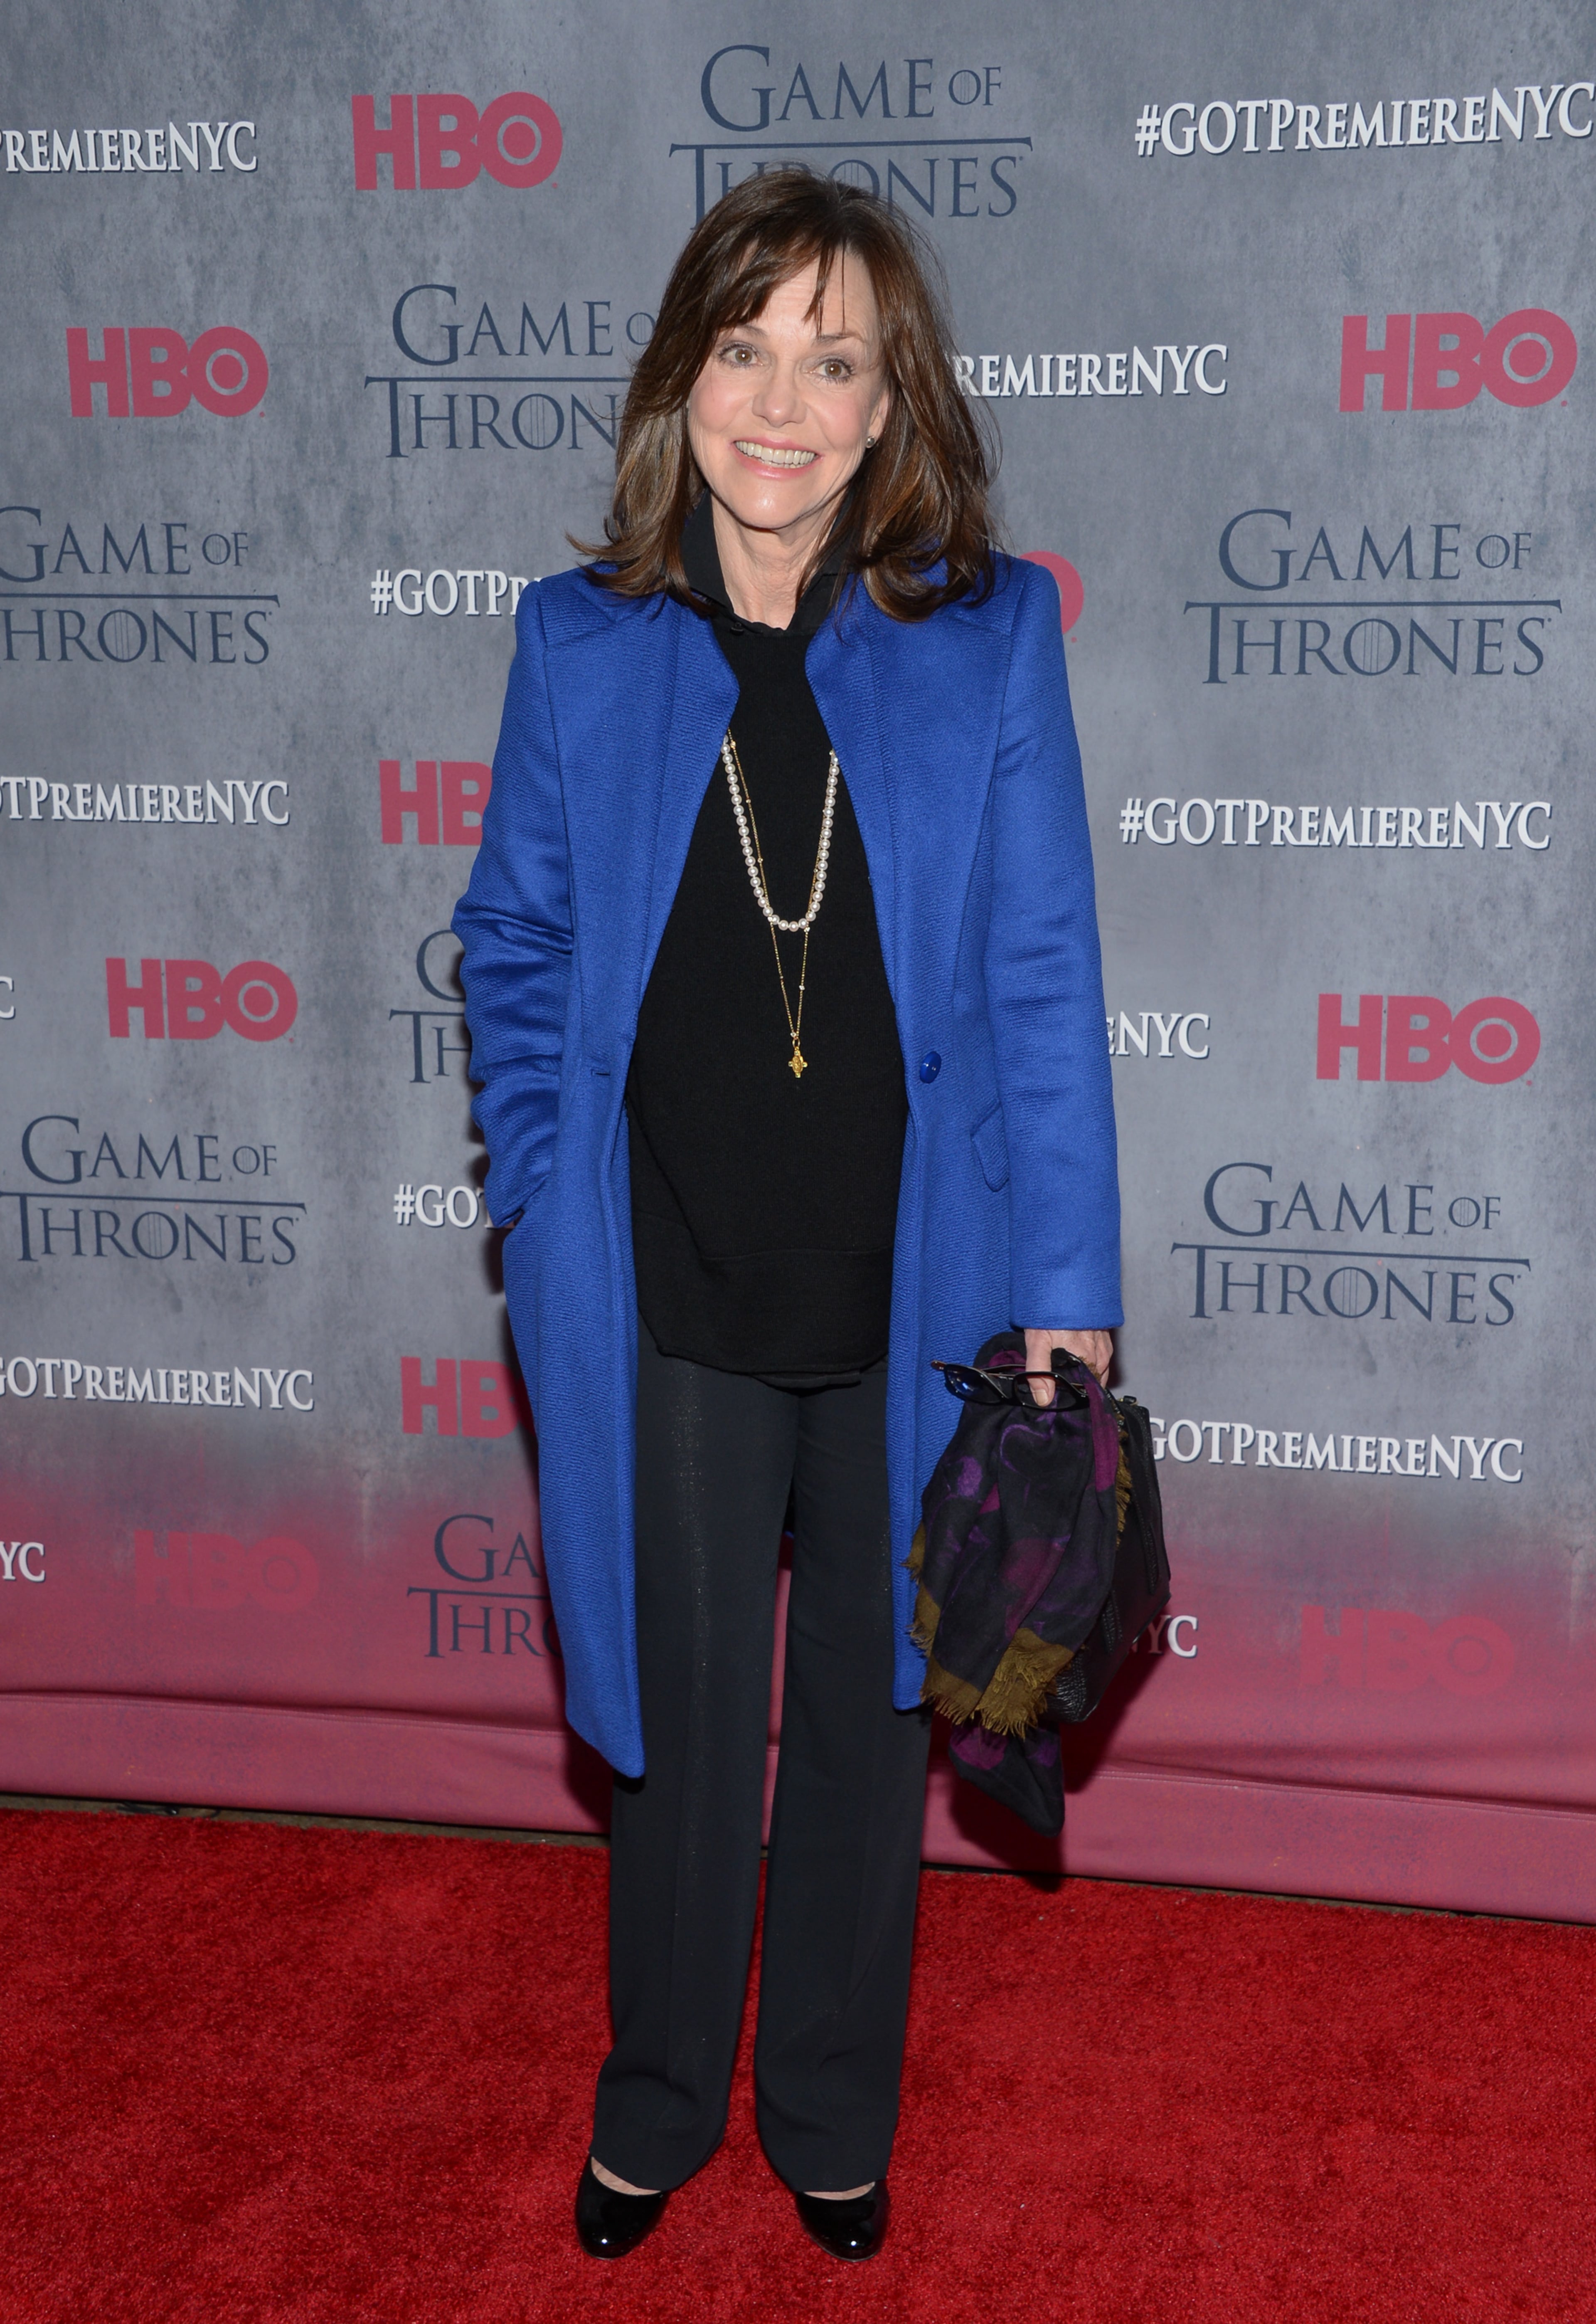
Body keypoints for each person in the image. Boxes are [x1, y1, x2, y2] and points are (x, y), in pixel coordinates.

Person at [452, 167, 1121, 2264]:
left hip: (915, 1286)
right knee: (674, 1728)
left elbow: (1041, 983)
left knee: (867, 1716)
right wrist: (547, 1186)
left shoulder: (989, 636)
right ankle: (657, 2097)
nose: (782, 401)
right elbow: (513, 942)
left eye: (835, 360)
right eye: (747, 348)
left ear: (888, 398)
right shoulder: (581, 644)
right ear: (685, 377)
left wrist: (1067, 1296)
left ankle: (829, 2105)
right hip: (660, 1274)